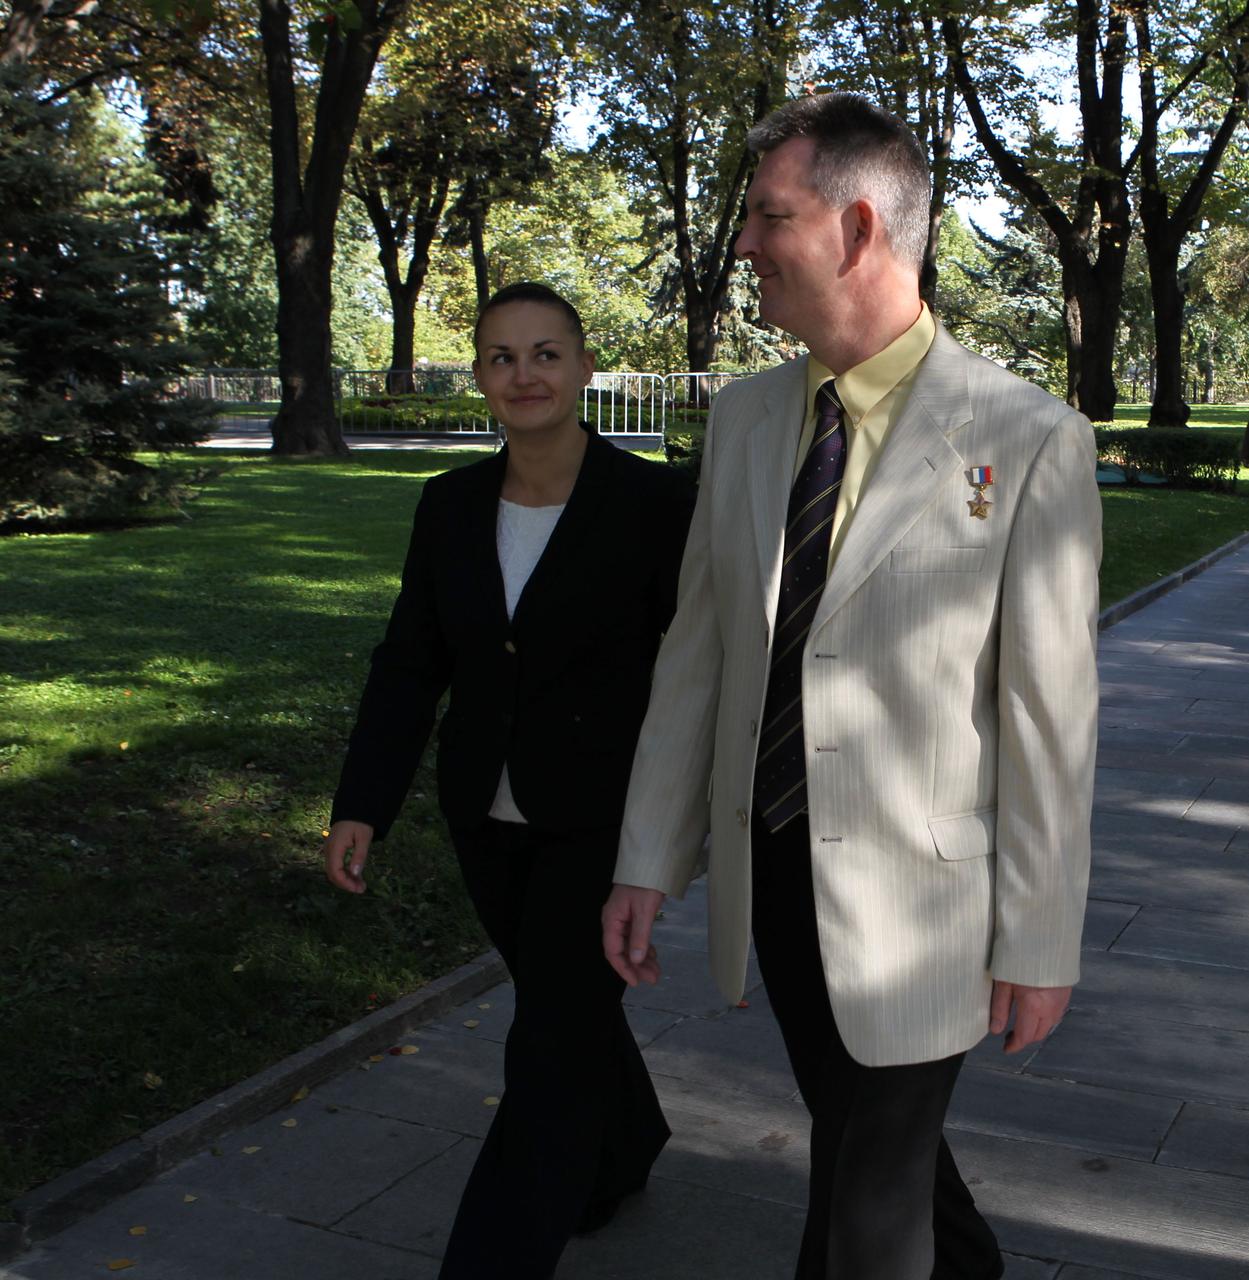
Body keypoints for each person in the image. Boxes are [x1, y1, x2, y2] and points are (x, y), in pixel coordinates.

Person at [603, 93, 1101, 1280]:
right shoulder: (742, 420)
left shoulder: (1028, 437)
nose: (744, 243)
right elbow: (700, 651)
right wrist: (647, 856)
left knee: (866, 1198)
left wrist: (1038, 936)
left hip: (923, 902)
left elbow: (1047, 713)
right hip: (772, 867)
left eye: (770, 214)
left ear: (860, 226)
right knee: (867, 1132)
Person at [324, 282, 695, 1279]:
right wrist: (363, 799)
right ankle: (625, 1144)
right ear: (480, 376)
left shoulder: (656, 503)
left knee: (547, 1054)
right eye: (500, 356)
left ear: (582, 367)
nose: (522, 373)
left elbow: (692, 669)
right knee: (560, 1009)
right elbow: (411, 662)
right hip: (483, 814)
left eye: (543, 353)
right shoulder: (447, 504)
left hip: (602, 823)